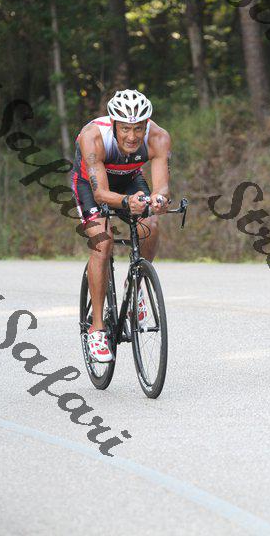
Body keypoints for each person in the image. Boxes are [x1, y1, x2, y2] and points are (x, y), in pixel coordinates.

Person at [71, 89, 171, 363]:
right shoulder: (93, 136)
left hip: (129, 179)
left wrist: (159, 199)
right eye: (125, 128)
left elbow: (162, 186)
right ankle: (97, 329)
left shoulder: (158, 137)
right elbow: (101, 193)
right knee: (102, 242)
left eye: (138, 128)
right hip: (91, 185)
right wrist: (127, 202)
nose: (132, 136)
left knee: (151, 223)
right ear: (114, 123)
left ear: (146, 125)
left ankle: (135, 286)